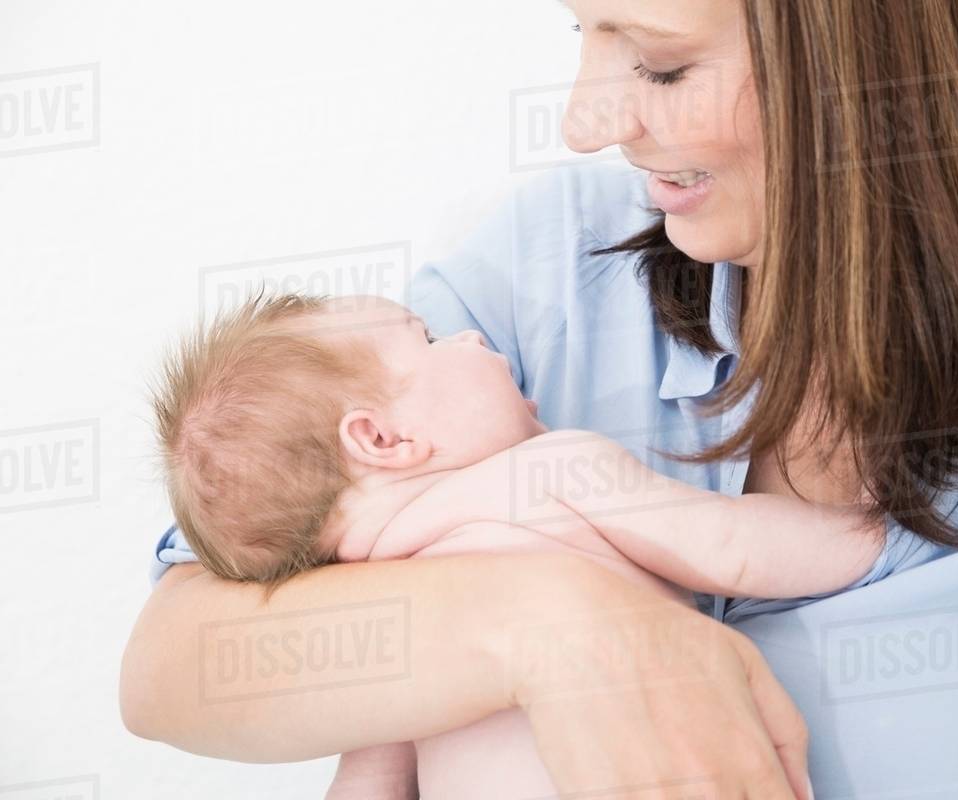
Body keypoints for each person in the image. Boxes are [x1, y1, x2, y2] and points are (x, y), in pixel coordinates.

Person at [121, 1, 958, 798]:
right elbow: (171, 663)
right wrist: (565, 627)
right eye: (584, 31)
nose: (587, 122)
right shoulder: (548, 271)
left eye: (663, 65)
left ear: (870, 78)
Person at [150, 290, 881, 798]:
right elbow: (730, 548)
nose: (471, 338)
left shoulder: (384, 617)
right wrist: (874, 528)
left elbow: (367, 784)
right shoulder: (550, 471)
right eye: (430, 339)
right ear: (384, 439)